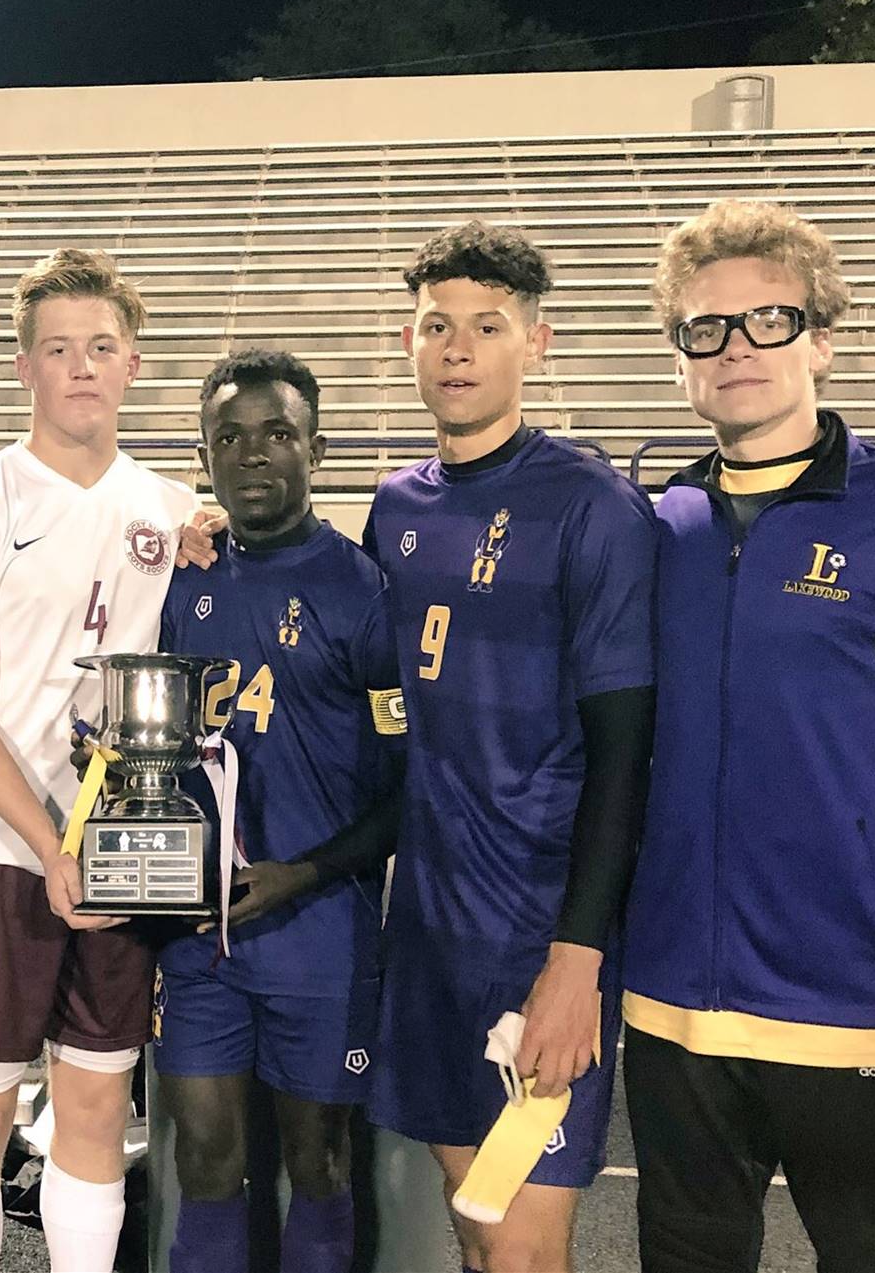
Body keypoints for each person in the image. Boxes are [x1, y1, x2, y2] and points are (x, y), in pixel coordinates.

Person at [621, 199, 875, 1273]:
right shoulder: (653, 527)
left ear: (822, 339)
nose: (735, 348)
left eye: (768, 320)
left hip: (866, 1000)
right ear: (681, 360)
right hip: (675, 1009)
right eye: (705, 328)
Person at [359, 222, 659, 1273]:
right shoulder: (395, 508)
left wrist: (576, 962)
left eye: (486, 327)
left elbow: (626, 754)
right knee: (476, 1220)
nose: (457, 348)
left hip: (535, 933)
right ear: (408, 339)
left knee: (527, 1244)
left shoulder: (594, 508)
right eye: (438, 326)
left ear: (537, 345)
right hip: (430, 925)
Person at [0, 248, 201, 1272]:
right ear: (25, 367)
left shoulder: (173, 508)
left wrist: (93, 852)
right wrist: (47, 847)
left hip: (125, 855)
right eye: (59, 348)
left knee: (96, 1103)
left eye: (102, 347)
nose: (82, 366)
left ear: (133, 364)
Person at [152, 349, 406, 1273]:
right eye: (229, 437)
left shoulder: (366, 588)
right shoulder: (177, 581)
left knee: (319, 1159)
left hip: (321, 932)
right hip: (198, 934)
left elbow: (407, 787)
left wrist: (304, 871)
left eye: (277, 434)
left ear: (317, 448)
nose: (253, 454)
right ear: (204, 457)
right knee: (208, 1159)